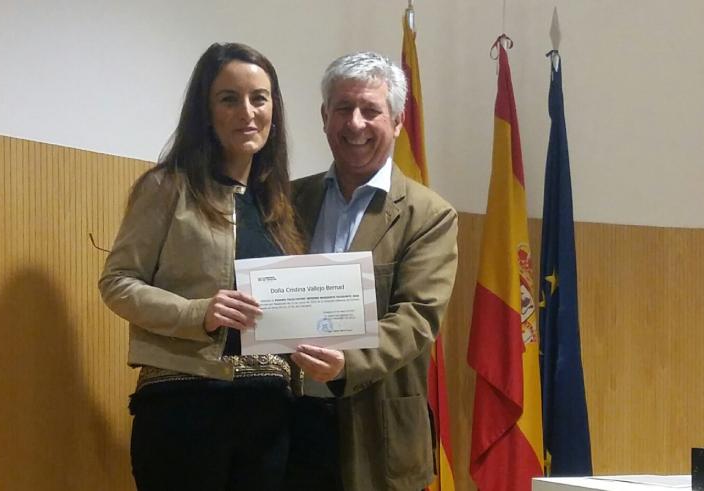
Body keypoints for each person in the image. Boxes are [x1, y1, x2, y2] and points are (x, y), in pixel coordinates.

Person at [98, 42, 302, 491]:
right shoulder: (166, 186)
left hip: (269, 412)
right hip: (184, 408)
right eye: (228, 98)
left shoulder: (280, 204)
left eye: (259, 98)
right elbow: (117, 283)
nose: (247, 111)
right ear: (205, 111)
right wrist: (198, 313)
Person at [284, 51, 459, 491]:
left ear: (398, 121)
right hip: (287, 423)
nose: (355, 124)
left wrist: (347, 363)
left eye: (370, 110)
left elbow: (416, 318)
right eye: (343, 108)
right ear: (325, 117)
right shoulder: (285, 202)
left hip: (378, 429)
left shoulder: (430, 215)